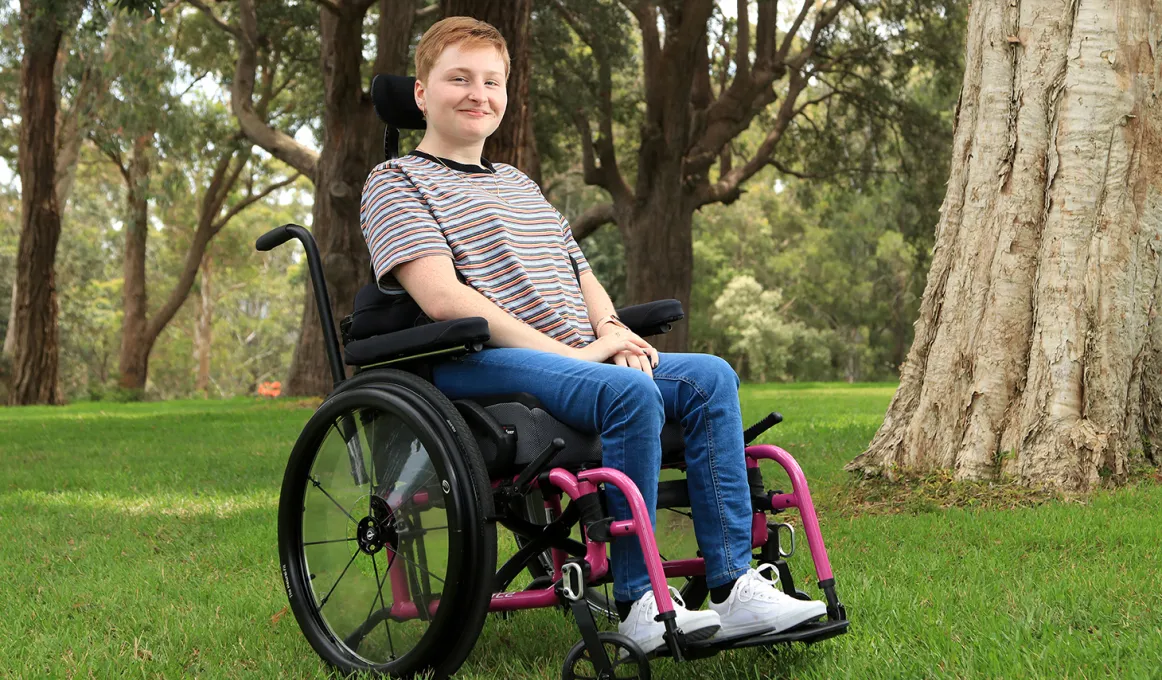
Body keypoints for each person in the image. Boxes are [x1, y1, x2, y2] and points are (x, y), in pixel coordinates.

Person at [359, 16, 826, 653]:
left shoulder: (519, 185)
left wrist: (612, 330)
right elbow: (444, 300)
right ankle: (637, 603)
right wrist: (583, 354)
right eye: (458, 78)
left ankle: (734, 584)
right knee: (627, 394)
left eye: (492, 81)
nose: (478, 93)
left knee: (710, 376)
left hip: (577, 354)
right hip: (475, 357)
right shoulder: (394, 183)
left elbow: (581, 273)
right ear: (421, 94)